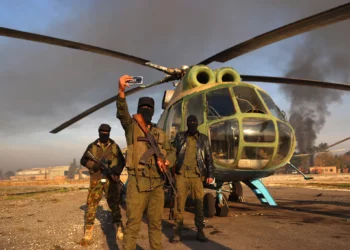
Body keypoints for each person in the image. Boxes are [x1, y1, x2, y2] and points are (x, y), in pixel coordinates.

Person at [116, 75, 173, 250]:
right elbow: (122, 113)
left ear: (153, 110)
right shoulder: (131, 127)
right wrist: (121, 91)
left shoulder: (160, 132)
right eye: (143, 107)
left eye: (149, 107)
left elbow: (171, 150)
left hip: (157, 184)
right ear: (139, 109)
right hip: (137, 183)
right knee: (133, 224)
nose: (146, 109)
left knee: (155, 225)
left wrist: (169, 159)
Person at [170, 115, 215, 243]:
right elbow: (172, 153)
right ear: (187, 124)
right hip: (181, 176)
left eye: (194, 123)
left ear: (197, 124)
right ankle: (177, 232)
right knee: (179, 206)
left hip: (196, 176)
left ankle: (200, 231)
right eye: (190, 123)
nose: (192, 125)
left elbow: (208, 158)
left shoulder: (204, 139)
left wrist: (210, 175)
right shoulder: (179, 137)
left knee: (199, 205)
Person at [80, 123, 126, 244]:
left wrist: (116, 171)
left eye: (106, 132)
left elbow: (122, 161)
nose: (104, 134)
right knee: (91, 205)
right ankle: (88, 230)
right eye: (102, 132)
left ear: (109, 133)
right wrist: (94, 165)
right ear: (99, 132)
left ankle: (119, 227)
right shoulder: (92, 146)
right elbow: (83, 160)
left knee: (115, 204)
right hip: (96, 179)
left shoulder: (115, 146)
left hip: (110, 181)